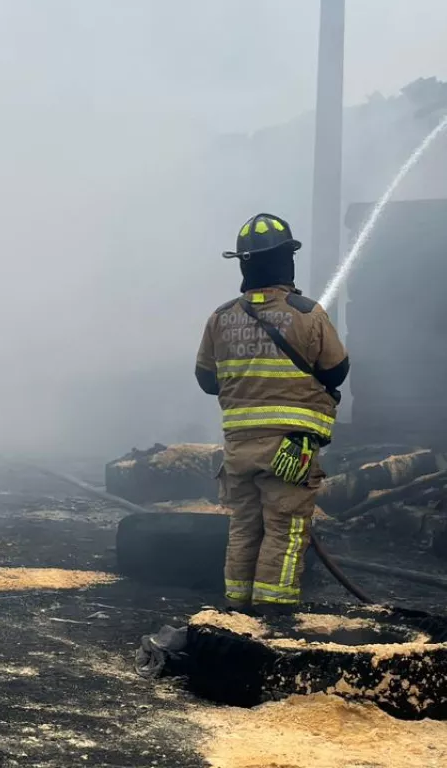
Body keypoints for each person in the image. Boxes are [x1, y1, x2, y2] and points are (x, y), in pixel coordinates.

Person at [194, 214, 349, 613]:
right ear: (286, 260)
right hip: (291, 448)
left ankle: (235, 614)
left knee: (245, 527)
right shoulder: (307, 313)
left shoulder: (221, 317)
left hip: (240, 450)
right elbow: (337, 370)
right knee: (285, 530)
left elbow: (207, 380)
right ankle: (273, 616)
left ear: (245, 264)